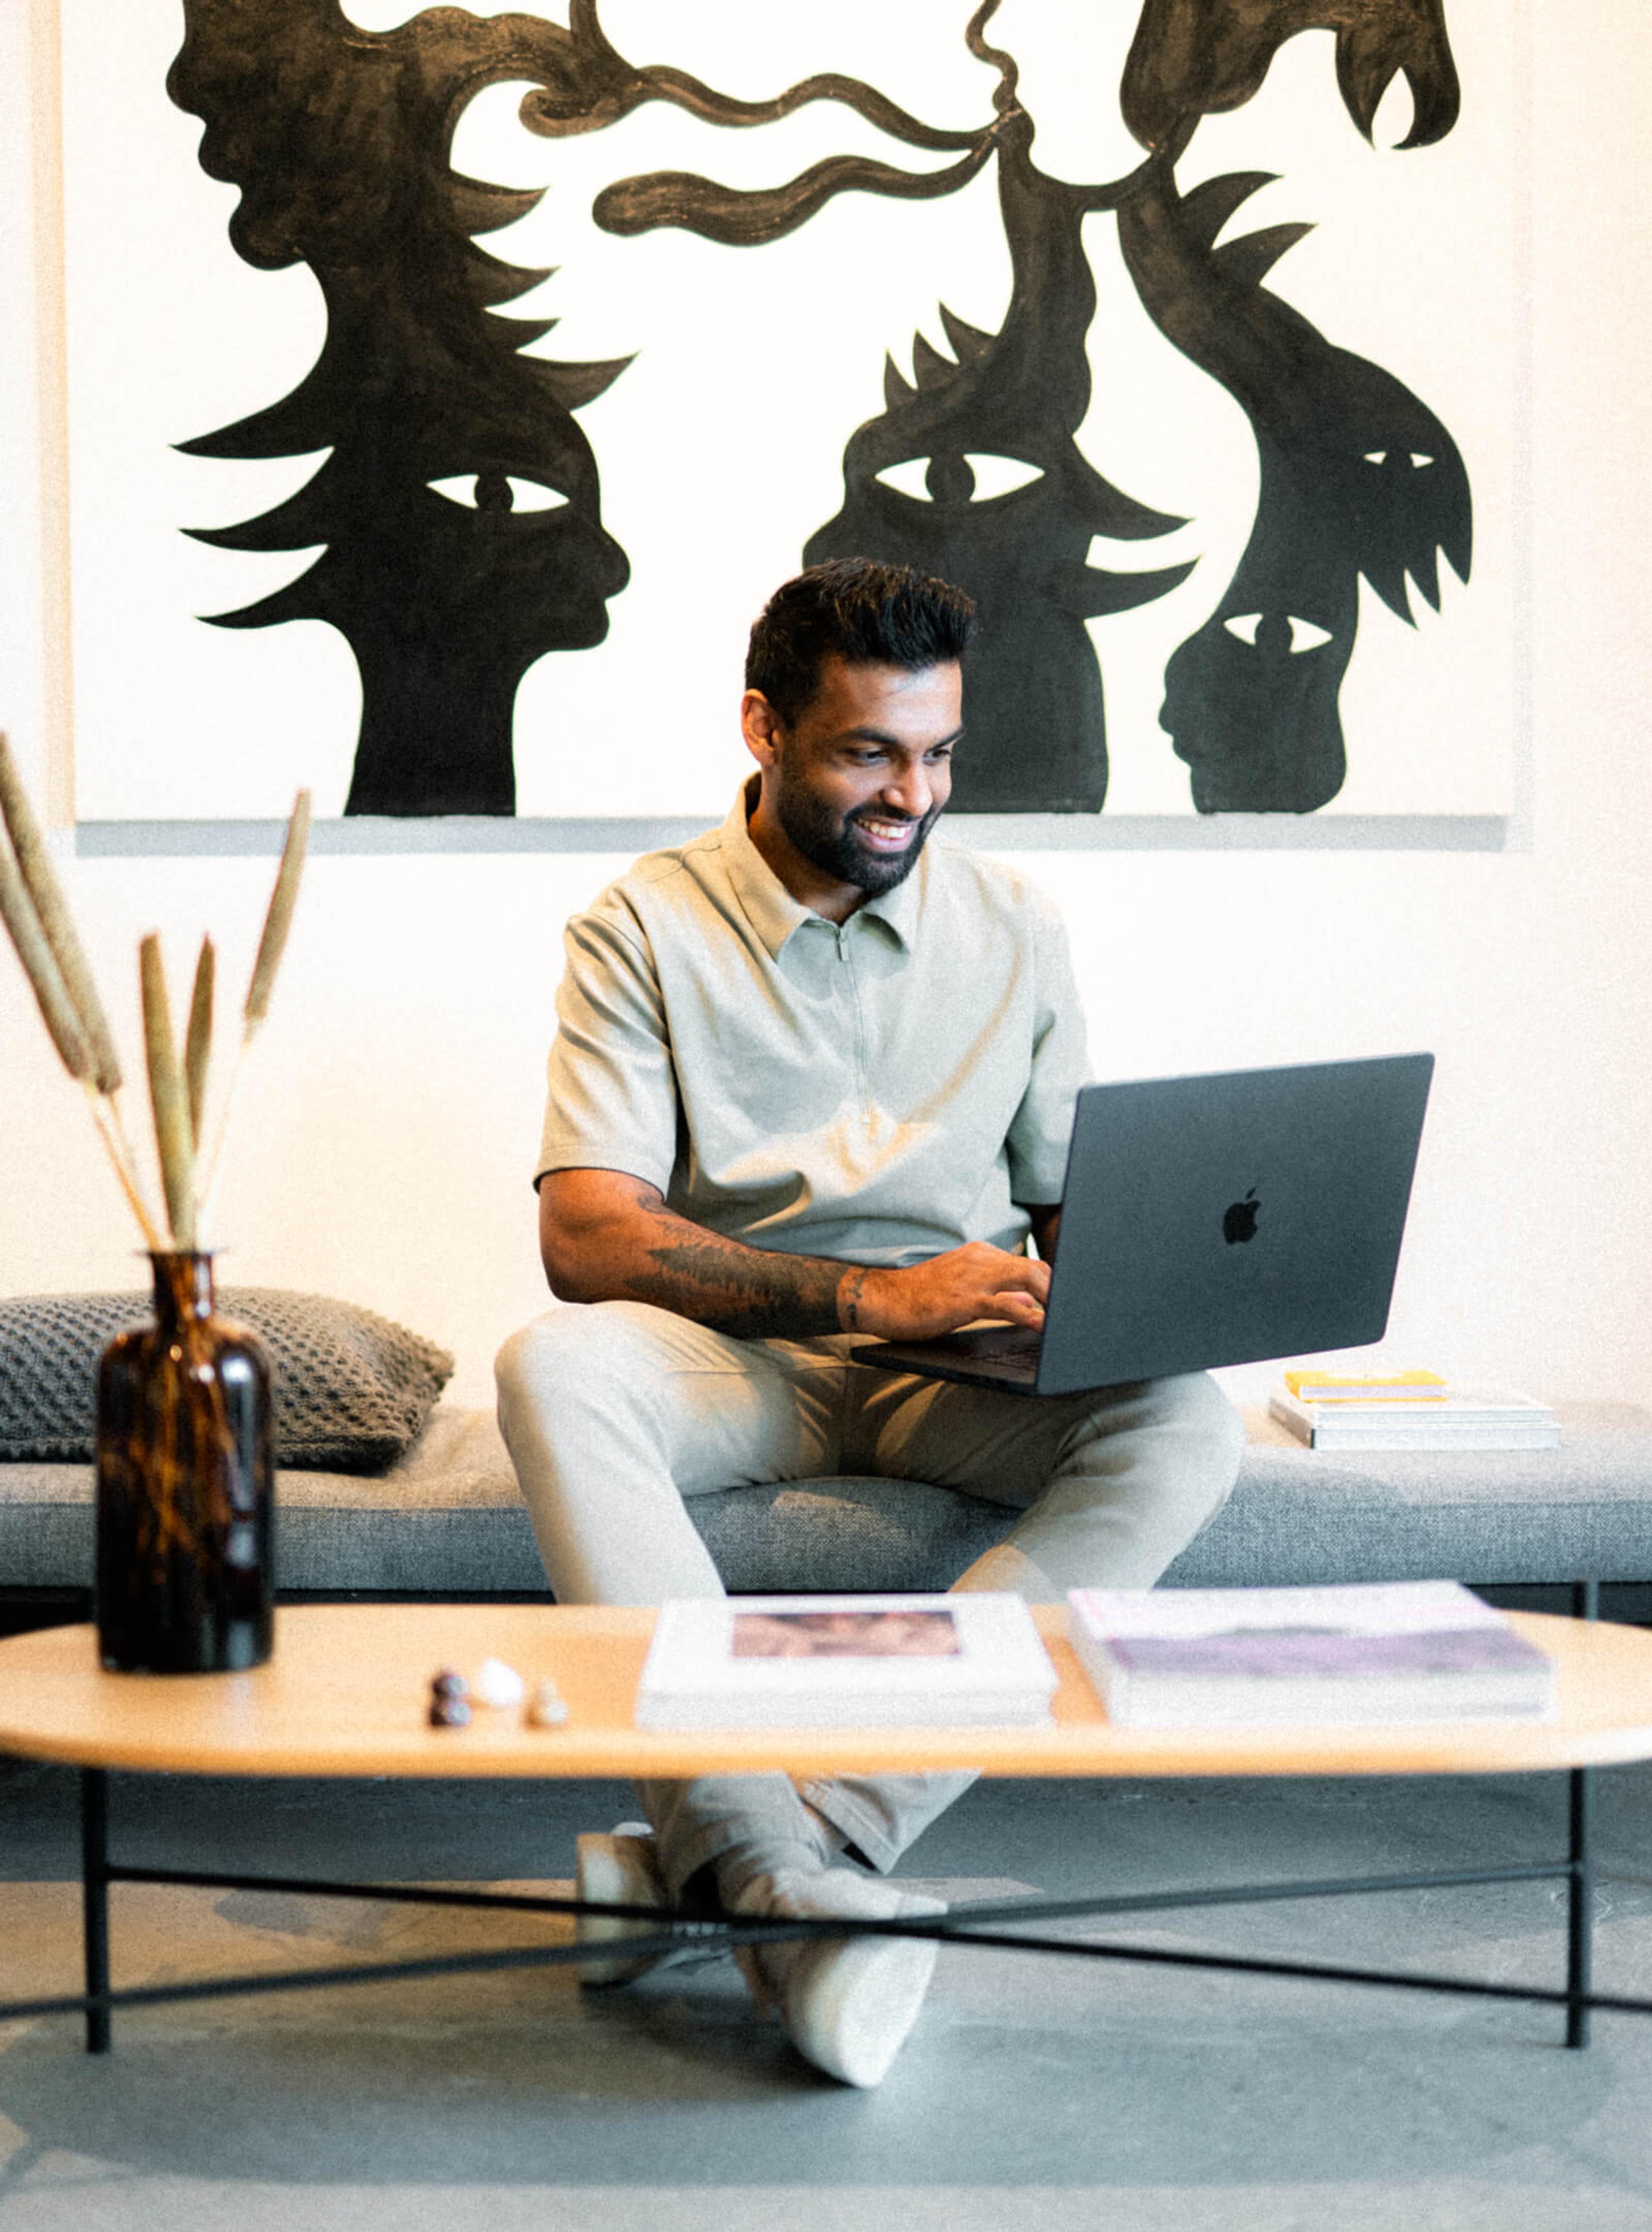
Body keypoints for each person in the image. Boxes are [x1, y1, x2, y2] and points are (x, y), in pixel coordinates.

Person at [496, 558, 1244, 2087]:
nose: (913, 794)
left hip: (953, 1362)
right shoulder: (641, 923)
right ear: (765, 728)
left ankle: (782, 1844)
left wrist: (1132, 1293)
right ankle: (789, 1881)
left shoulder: (1018, 927)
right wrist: (859, 1294)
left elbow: (1062, 1211)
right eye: (867, 754)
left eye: (940, 754)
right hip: (739, 1360)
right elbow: (587, 1233)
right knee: (551, 1367)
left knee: (1184, 1419)